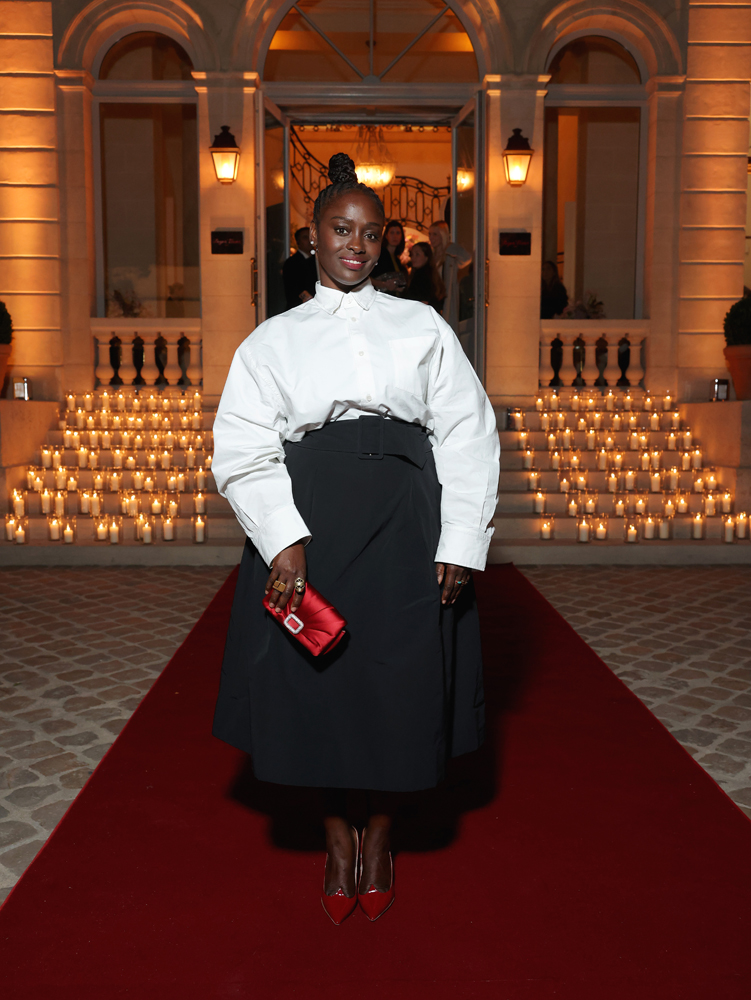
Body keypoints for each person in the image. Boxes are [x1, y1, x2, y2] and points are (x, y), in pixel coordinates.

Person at [212, 153, 500, 926]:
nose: (356, 245)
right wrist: (283, 541)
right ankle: (336, 839)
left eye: (370, 233)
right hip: (310, 524)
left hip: (409, 519)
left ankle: (382, 836)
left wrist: (459, 538)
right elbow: (242, 447)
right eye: (341, 229)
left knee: (396, 685)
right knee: (317, 685)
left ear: (383, 243)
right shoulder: (273, 340)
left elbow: (469, 432)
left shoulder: (421, 326)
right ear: (312, 238)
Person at [428, 221, 472, 333]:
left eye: (435, 234)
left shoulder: (450, 256)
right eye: (430, 234)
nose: (431, 238)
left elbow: (466, 258)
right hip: (433, 298)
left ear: (442, 235)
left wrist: (449, 247)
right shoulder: (430, 256)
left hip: (446, 298)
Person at [404, 240, 445, 312]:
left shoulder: (421, 276)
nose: (413, 258)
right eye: (412, 254)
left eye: (417, 254)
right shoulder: (431, 274)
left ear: (426, 257)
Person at [282, 227, 318, 310]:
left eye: (311, 237)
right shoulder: (291, 263)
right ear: (298, 242)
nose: (309, 240)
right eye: (305, 237)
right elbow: (293, 288)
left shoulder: (318, 260)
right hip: (300, 307)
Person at [370, 218, 407, 294]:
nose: (395, 236)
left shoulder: (397, 259)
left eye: (398, 233)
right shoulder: (380, 254)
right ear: (386, 235)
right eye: (392, 233)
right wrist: (384, 284)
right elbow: (366, 277)